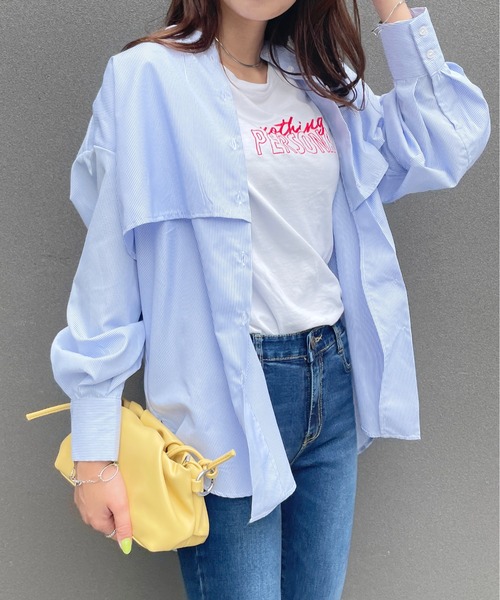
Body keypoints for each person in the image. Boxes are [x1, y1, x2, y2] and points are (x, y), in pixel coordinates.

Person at [50, 1, 490, 598]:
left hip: (331, 381)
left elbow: (447, 138)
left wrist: (391, 5)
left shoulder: (321, 80)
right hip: (224, 399)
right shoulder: (146, 79)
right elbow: (109, 266)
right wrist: (94, 453)